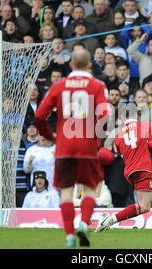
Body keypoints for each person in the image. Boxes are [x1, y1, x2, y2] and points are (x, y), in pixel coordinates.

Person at [35, 48, 108, 247]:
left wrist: (49, 136)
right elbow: (105, 115)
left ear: (71, 64)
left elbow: (40, 115)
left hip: (64, 146)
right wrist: (98, 135)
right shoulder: (97, 86)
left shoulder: (59, 86)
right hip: (87, 145)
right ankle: (84, 224)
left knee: (66, 191)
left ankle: (69, 235)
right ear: (90, 65)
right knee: (90, 189)